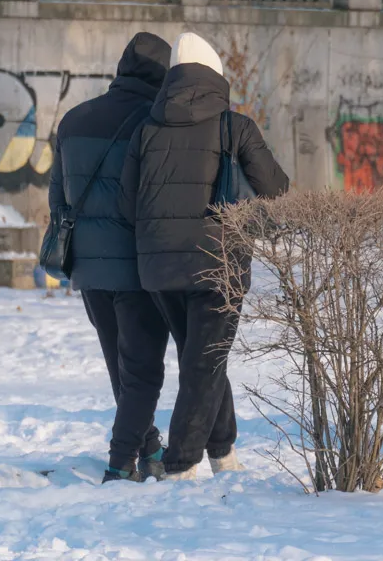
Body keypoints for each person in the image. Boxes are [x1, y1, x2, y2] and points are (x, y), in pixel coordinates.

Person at [119, 32, 289, 480]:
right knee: (204, 362)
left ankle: (223, 450)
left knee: (200, 359)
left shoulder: (146, 129)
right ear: (216, 75)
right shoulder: (235, 126)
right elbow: (277, 189)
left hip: (157, 268)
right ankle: (181, 463)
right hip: (219, 263)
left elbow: (126, 203)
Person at [48, 31, 172, 483]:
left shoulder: (74, 120)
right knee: (141, 371)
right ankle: (121, 464)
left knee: (120, 366)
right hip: (137, 266)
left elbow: (58, 198)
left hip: (88, 267)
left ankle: (150, 445)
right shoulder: (156, 122)